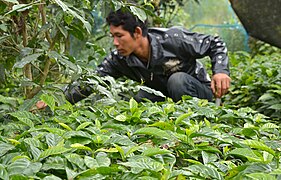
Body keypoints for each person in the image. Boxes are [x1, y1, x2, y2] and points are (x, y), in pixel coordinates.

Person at [38, 8, 231, 108]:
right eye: (112, 36)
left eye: (119, 36)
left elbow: (215, 42)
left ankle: (195, 124)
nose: (115, 43)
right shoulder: (119, 59)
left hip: (199, 91)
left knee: (177, 80)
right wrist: (56, 100)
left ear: (137, 33)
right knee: (141, 97)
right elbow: (92, 82)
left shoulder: (173, 39)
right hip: (163, 93)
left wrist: (221, 71)